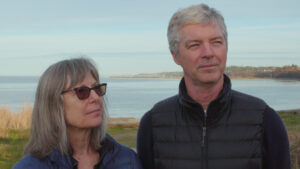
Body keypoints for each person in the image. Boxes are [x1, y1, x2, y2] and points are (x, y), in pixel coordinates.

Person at [137, 4, 290, 169]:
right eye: (195, 45)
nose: (208, 53)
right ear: (175, 56)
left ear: (226, 47)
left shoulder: (265, 120)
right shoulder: (152, 125)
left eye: (216, 42)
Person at [13, 58, 143, 169]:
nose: (95, 97)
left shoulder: (126, 160)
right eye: (82, 91)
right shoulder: (32, 166)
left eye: (97, 88)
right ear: (54, 103)